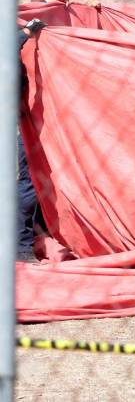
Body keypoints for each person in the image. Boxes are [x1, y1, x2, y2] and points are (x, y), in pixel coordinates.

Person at [16, 19, 46, 263]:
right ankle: (21, 248)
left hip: (28, 121)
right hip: (17, 126)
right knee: (26, 185)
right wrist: (26, 31)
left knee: (35, 182)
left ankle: (35, 237)